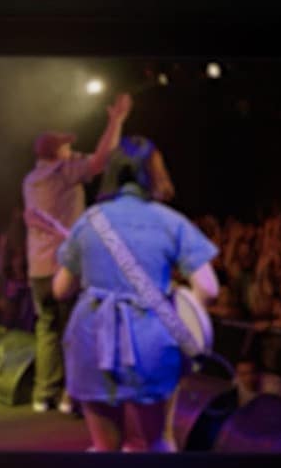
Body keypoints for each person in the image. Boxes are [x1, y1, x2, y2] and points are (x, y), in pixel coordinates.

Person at [52, 147, 219, 452]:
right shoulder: (171, 221)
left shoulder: (90, 220)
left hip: (93, 340)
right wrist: (182, 309)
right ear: (156, 174)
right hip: (152, 340)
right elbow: (208, 289)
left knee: (105, 447)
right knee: (157, 442)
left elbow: (61, 289)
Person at [22, 92, 132, 414]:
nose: (71, 150)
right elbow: (102, 159)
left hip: (38, 270)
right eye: (66, 147)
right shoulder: (62, 172)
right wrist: (116, 121)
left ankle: (44, 395)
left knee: (46, 329)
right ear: (57, 153)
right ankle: (72, 396)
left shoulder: (30, 180)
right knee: (75, 330)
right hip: (64, 267)